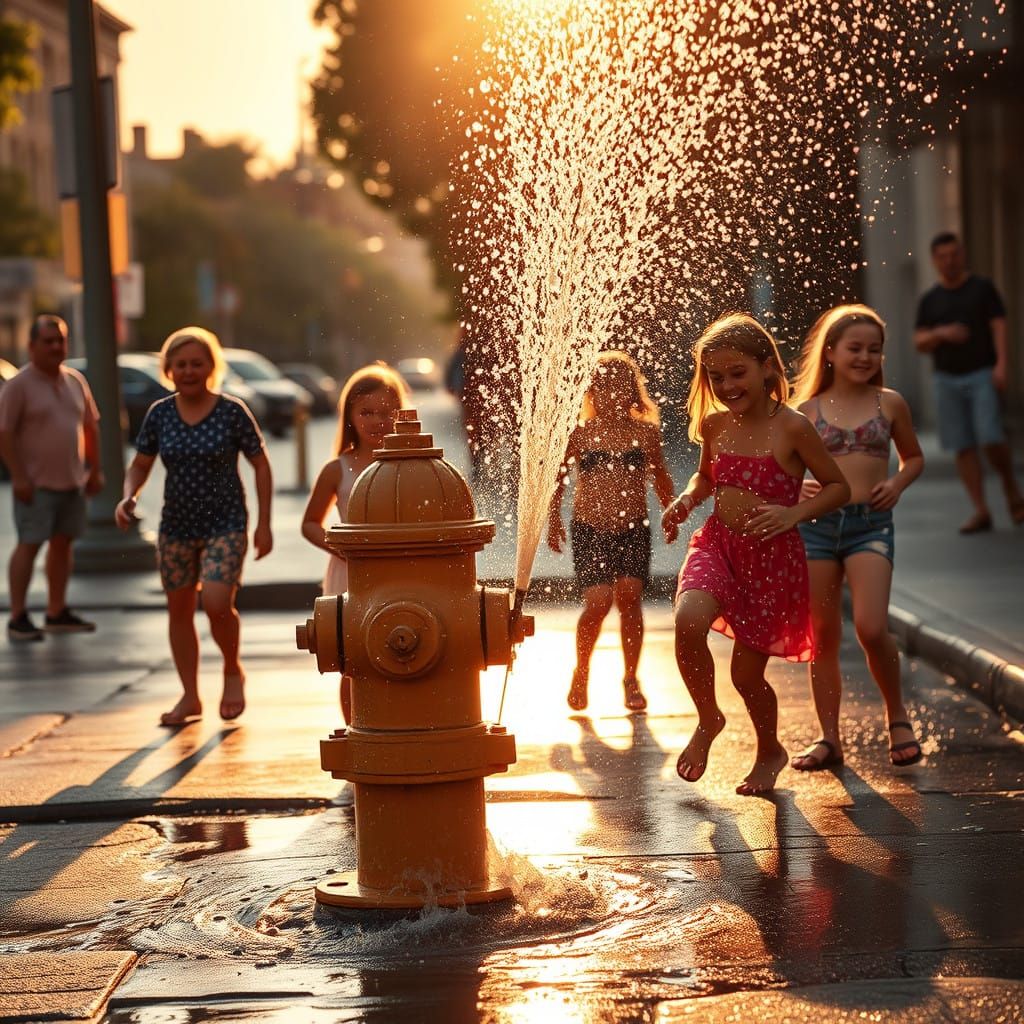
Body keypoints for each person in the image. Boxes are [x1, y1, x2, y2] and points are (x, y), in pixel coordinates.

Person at [661, 313, 850, 795]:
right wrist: (687, 499)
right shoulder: (715, 424)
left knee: (746, 676)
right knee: (688, 619)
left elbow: (838, 487)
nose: (726, 386)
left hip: (770, 561)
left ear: (767, 367)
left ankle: (770, 749)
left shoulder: (793, 427)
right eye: (716, 377)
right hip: (718, 544)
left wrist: (794, 514)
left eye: (737, 373)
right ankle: (708, 718)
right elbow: (706, 477)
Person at [114, 327, 272, 726]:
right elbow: (140, 464)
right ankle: (190, 696)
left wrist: (264, 524)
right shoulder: (160, 413)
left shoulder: (232, 411)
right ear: (168, 369)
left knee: (217, 603)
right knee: (179, 611)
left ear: (211, 367)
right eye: (180, 364)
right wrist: (128, 496)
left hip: (226, 524)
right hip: (176, 527)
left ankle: (232, 669)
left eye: (197, 363)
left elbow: (261, 463)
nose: (188, 371)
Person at [790, 305, 925, 772]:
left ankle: (898, 716)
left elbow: (913, 457)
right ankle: (830, 738)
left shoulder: (890, 403)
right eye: (855, 348)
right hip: (816, 529)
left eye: (874, 349)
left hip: (870, 525)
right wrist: (796, 489)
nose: (865, 357)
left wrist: (898, 483)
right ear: (830, 352)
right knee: (823, 635)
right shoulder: (805, 412)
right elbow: (783, 471)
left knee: (870, 627)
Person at [547, 351, 675, 713]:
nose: (612, 395)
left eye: (620, 387)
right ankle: (582, 670)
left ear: (633, 392)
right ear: (591, 392)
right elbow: (558, 480)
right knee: (599, 601)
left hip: (633, 526)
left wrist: (671, 512)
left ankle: (631, 678)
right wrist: (553, 520)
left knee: (630, 597)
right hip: (590, 527)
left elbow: (660, 475)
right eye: (603, 388)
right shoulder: (581, 433)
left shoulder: (646, 433)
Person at [301, 362, 409, 722]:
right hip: (350, 574)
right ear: (349, 415)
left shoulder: (408, 465)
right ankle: (355, 731)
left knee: (403, 647)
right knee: (353, 659)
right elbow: (310, 524)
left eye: (387, 412)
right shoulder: (338, 468)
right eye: (366, 412)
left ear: (401, 413)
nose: (377, 421)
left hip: (398, 572)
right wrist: (341, 548)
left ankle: (397, 726)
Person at [0, 315, 103, 642]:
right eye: (48, 341)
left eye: (60, 340)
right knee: (29, 545)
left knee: (63, 544)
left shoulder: (75, 381)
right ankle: (18, 617)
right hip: (35, 484)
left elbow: (90, 426)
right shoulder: (18, 386)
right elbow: (4, 433)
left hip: (72, 481)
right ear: (32, 346)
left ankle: (56, 612)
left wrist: (95, 470)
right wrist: (19, 476)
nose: (56, 347)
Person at [914, 232, 1024, 533]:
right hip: (946, 378)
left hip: (981, 373)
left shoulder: (982, 288)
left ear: (962, 255)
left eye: (954, 255)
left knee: (990, 436)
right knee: (962, 445)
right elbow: (919, 341)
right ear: (934, 260)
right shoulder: (930, 299)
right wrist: (942, 334)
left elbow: (999, 326)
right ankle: (980, 509)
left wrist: (1002, 365)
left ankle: (1010, 486)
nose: (949, 261)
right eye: (943, 256)